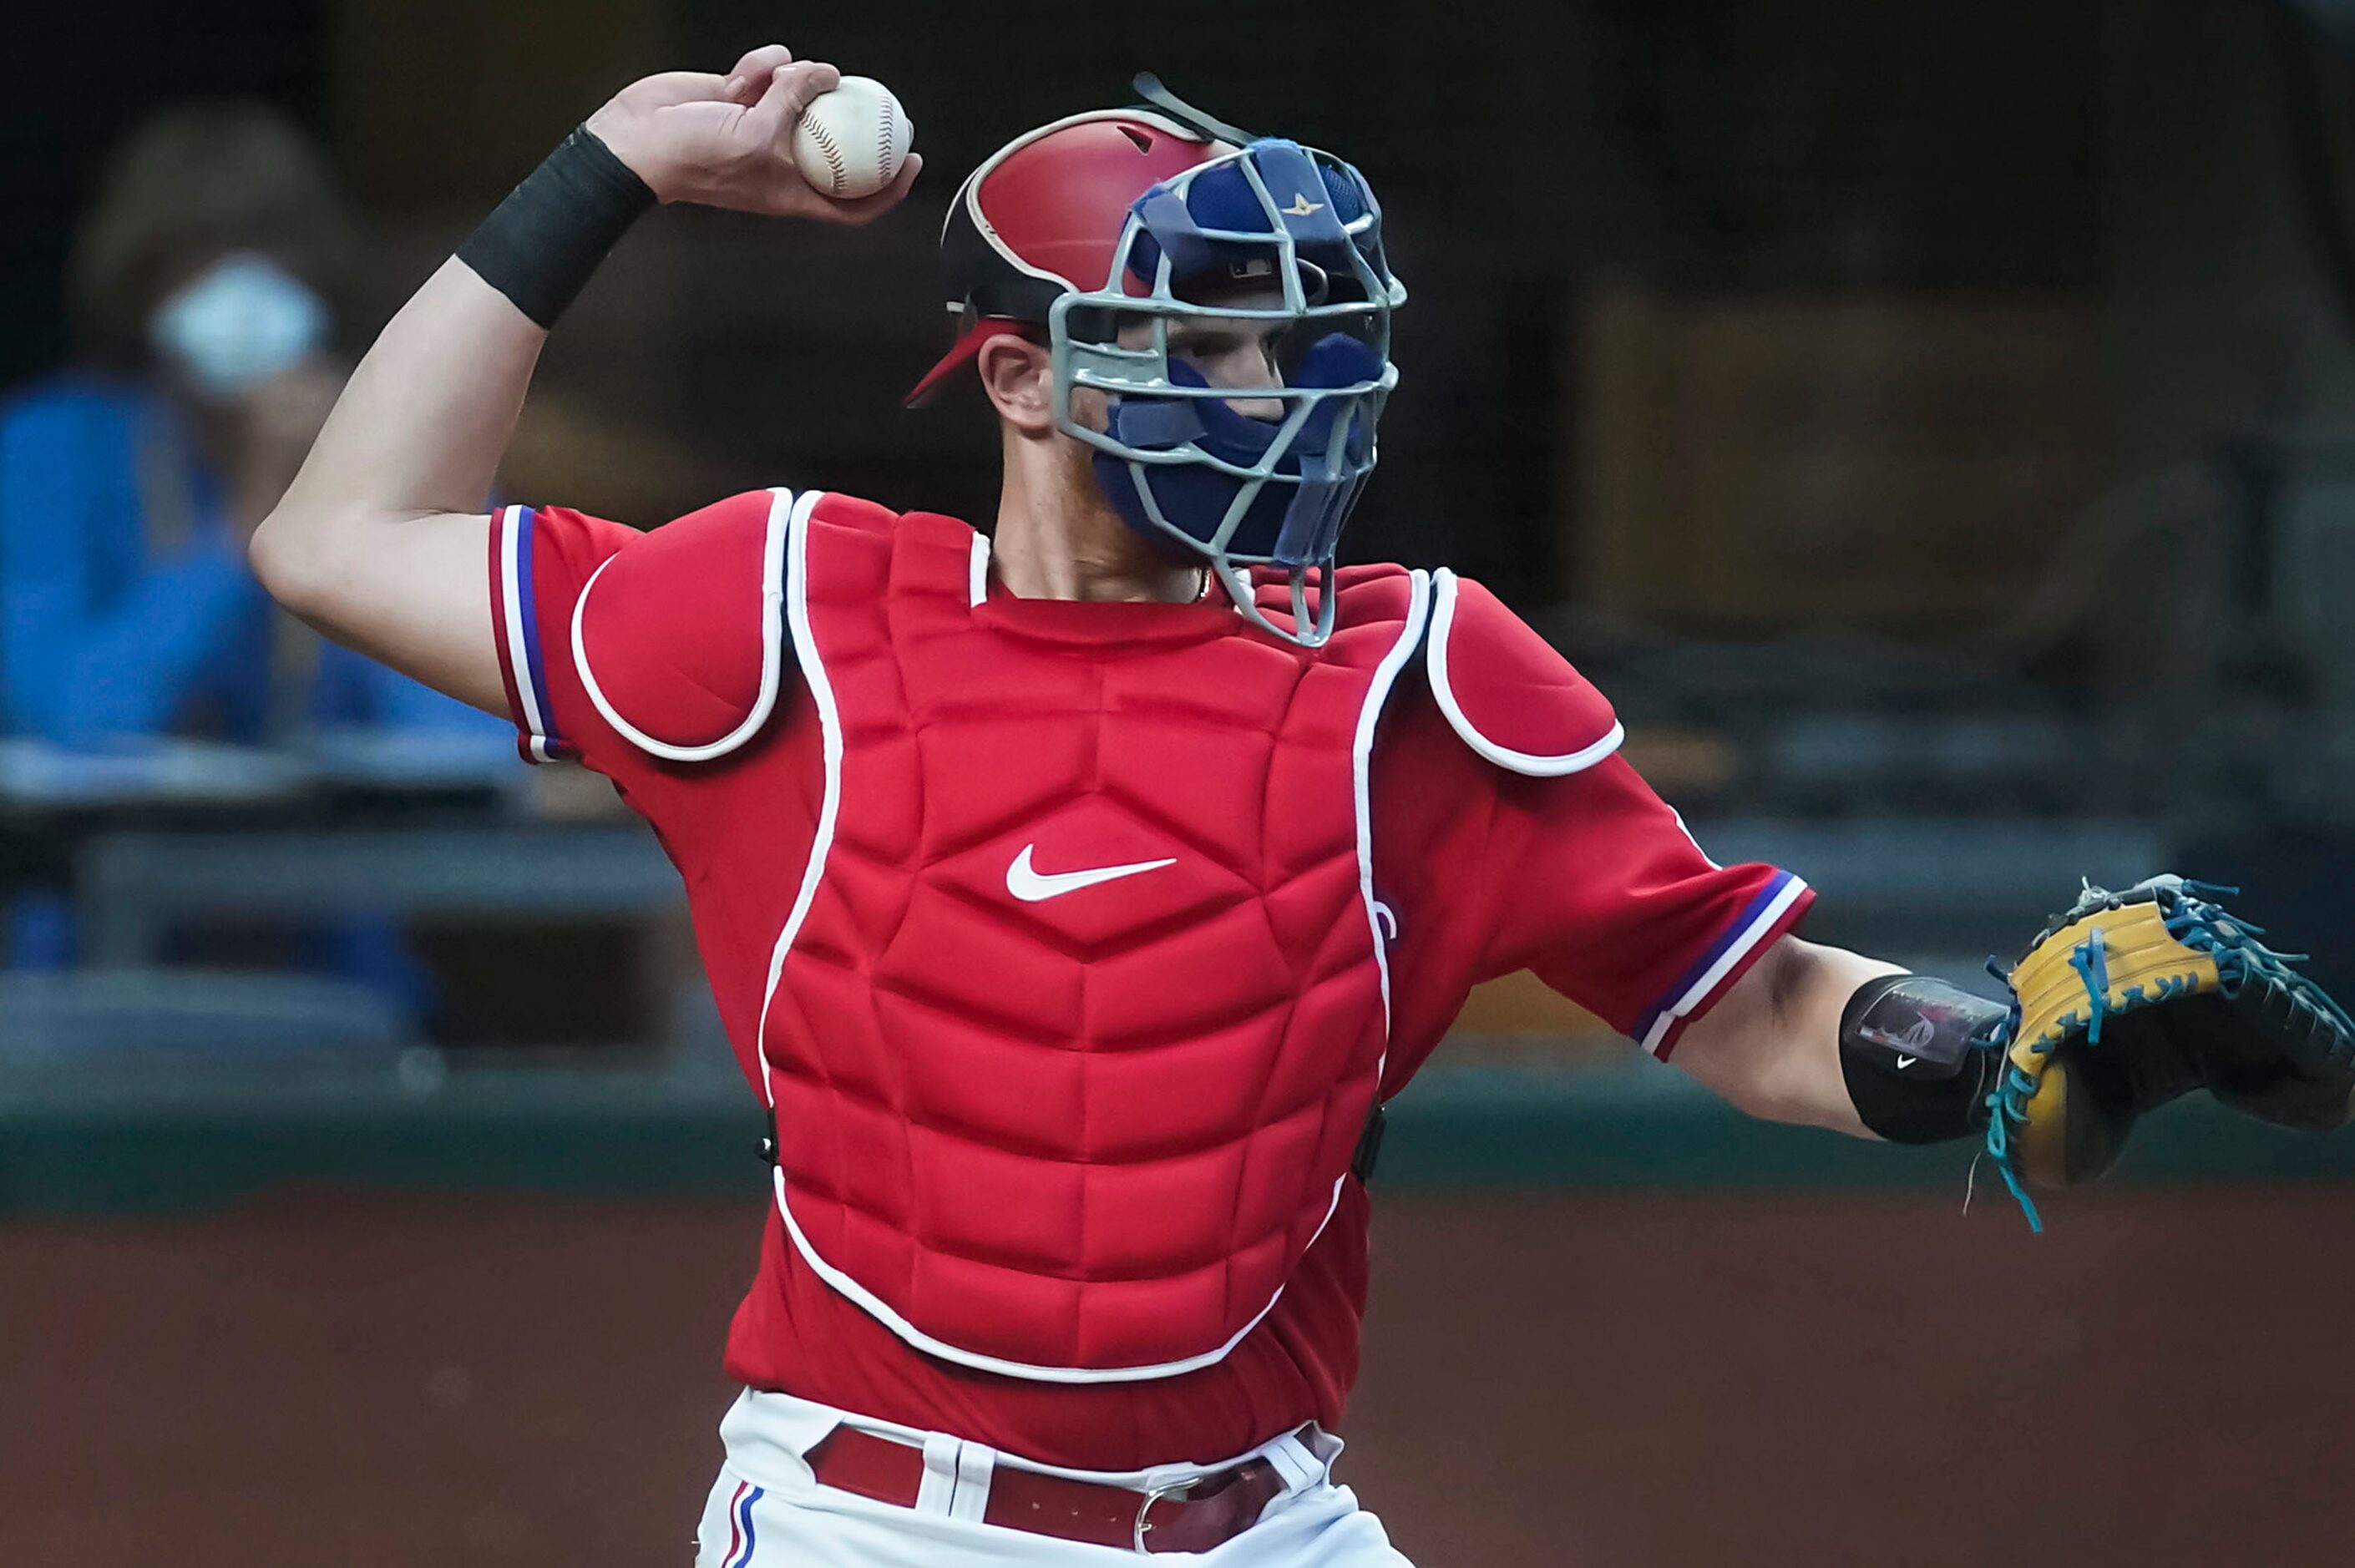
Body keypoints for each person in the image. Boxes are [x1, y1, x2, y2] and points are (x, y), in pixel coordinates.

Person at [246, 46, 2352, 1565]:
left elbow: (1737, 994)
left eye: (1291, 347)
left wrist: (1974, 1044)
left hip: (1260, 1525)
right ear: (1013, 376)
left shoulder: (1412, 681)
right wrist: (610, 163)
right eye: (1203, 347)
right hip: (871, 1520)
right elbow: (340, 535)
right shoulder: (787, 614)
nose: (1274, 396)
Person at [0, 102, 504, 977]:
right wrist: (245, 525)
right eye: (198, 256)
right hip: (100, 979)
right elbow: (78, 718)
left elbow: (475, 735)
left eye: (269, 249)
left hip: (342, 972)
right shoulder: (48, 450)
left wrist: (349, 488)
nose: (239, 285)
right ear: (143, 282)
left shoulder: (403, 445)